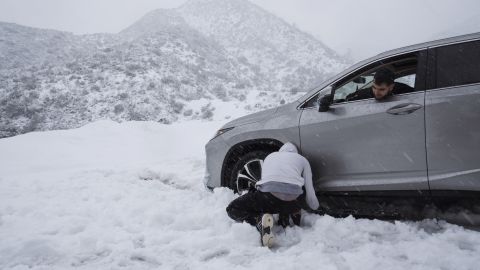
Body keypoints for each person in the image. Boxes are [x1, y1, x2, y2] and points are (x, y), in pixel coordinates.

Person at [226, 142, 320, 248]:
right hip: (292, 203)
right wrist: (315, 208)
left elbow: (265, 183)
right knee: (286, 198)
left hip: (269, 199)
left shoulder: (270, 157)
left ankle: (258, 220)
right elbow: (310, 193)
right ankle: (287, 217)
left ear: (280, 151)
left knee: (232, 209)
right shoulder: (302, 160)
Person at [345, 67, 414, 101]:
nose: (376, 92)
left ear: (391, 87)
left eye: (382, 89)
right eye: (374, 87)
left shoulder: (405, 91)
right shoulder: (365, 93)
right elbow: (348, 99)